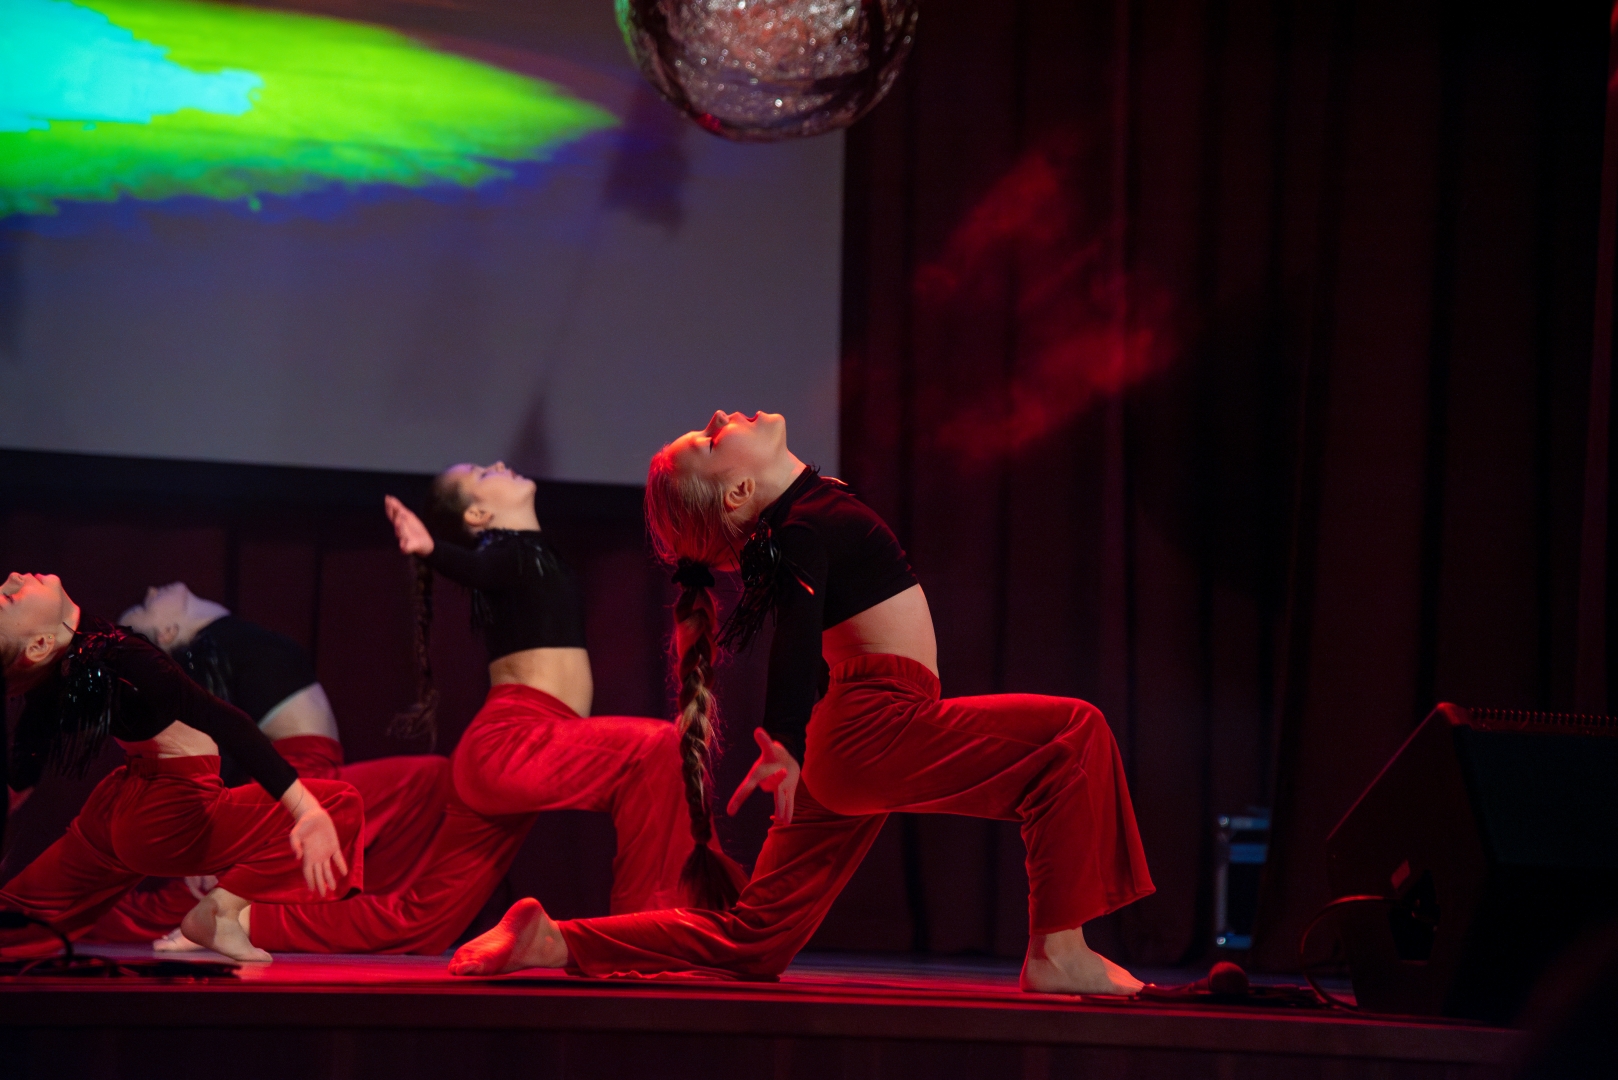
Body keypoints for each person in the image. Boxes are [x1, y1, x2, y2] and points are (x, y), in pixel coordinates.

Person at [450, 413, 1154, 994]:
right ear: (739, 490)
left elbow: (809, 639)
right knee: (1071, 734)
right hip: (876, 723)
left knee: (754, 940)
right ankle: (1058, 950)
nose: (721, 417)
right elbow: (795, 632)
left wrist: (801, 743)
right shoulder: (802, 529)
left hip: (849, 733)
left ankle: (555, 941)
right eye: (711, 440)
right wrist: (784, 740)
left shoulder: (807, 512)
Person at [239, 461, 739, 955]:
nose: (499, 463)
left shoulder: (531, 555)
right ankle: (647, 935)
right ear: (478, 516)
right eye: (482, 473)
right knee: (654, 749)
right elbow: (482, 568)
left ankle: (245, 920)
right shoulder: (504, 555)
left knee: (421, 921)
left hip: (509, 755)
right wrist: (433, 549)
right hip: (509, 743)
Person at [0, 572, 362, 962]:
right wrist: (306, 810)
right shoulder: (129, 659)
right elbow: (228, 723)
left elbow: (27, 755)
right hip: (172, 804)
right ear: (39, 644)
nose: (12, 580)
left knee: (21, 915)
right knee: (337, 804)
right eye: (9, 600)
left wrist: (14, 792)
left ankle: (218, 915)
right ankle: (218, 914)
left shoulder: (72, 656)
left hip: (116, 807)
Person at [84, 584, 450, 948]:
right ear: (167, 633)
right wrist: (206, 839)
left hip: (306, 771)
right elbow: (217, 739)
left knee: (427, 780)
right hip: (293, 774)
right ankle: (73, 915)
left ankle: (359, 914)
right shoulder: (201, 658)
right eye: (142, 607)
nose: (150, 591)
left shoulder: (229, 637)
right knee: (169, 908)